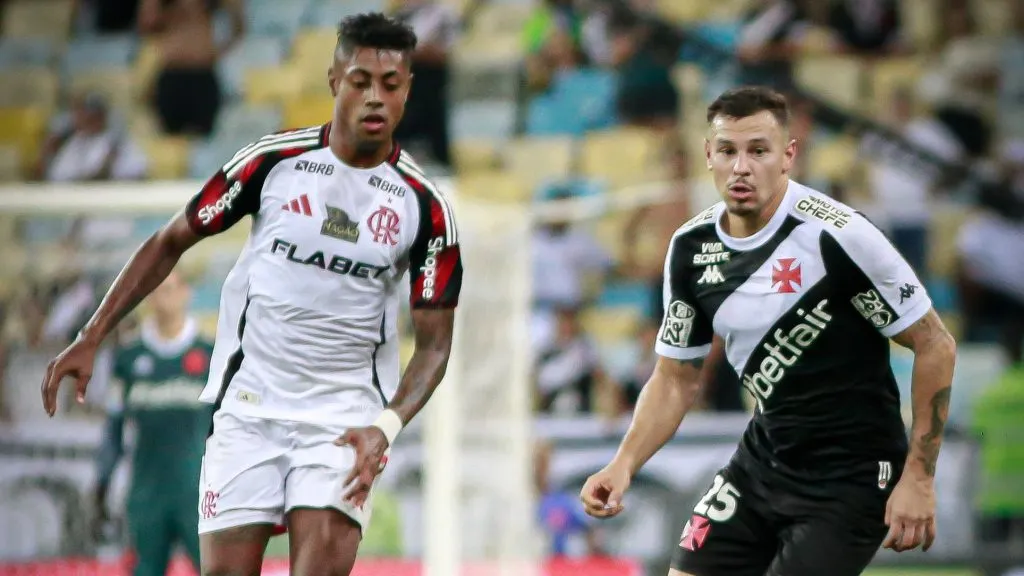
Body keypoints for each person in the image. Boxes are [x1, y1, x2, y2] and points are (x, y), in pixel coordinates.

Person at [42, 13, 462, 576]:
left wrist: (385, 428)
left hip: (345, 421)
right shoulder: (272, 162)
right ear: (335, 79)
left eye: (391, 84)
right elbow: (171, 240)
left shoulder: (424, 205)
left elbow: (434, 346)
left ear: (408, 89)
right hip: (250, 410)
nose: (375, 97)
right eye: (361, 80)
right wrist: (91, 334)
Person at [579, 86, 958, 576]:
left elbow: (935, 345)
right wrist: (623, 464)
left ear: (787, 156)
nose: (742, 166)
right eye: (729, 151)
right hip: (764, 461)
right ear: (709, 156)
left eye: (758, 150)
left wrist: (920, 478)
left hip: (852, 475)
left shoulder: (839, 236)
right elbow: (676, 378)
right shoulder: (691, 248)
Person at [93, 270, 213, 576]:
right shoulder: (129, 359)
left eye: (172, 289)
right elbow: (114, 429)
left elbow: (226, 429)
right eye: (159, 290)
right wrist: (102, 483)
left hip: (198, 492)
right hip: (147, 493)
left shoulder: (211, 356)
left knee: (213, 569)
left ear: (186, 292)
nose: (166, 298)